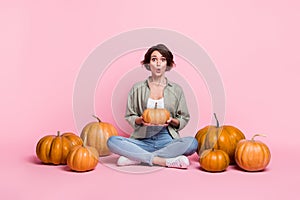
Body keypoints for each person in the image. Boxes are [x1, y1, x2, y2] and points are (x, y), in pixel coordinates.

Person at [107, 44, 198, 169]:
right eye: (154, 59)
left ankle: (137, 158)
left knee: (192, 143)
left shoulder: (177, 90)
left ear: (168, 64)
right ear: (148, 64)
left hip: (167, 141)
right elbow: (130, 115)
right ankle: (164, 161)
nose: (158, 63)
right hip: (142, 140)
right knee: (112, 141)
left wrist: (172, 121)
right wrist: (141, 120)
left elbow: (184, 117)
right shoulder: (137, 88)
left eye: (163, 59)